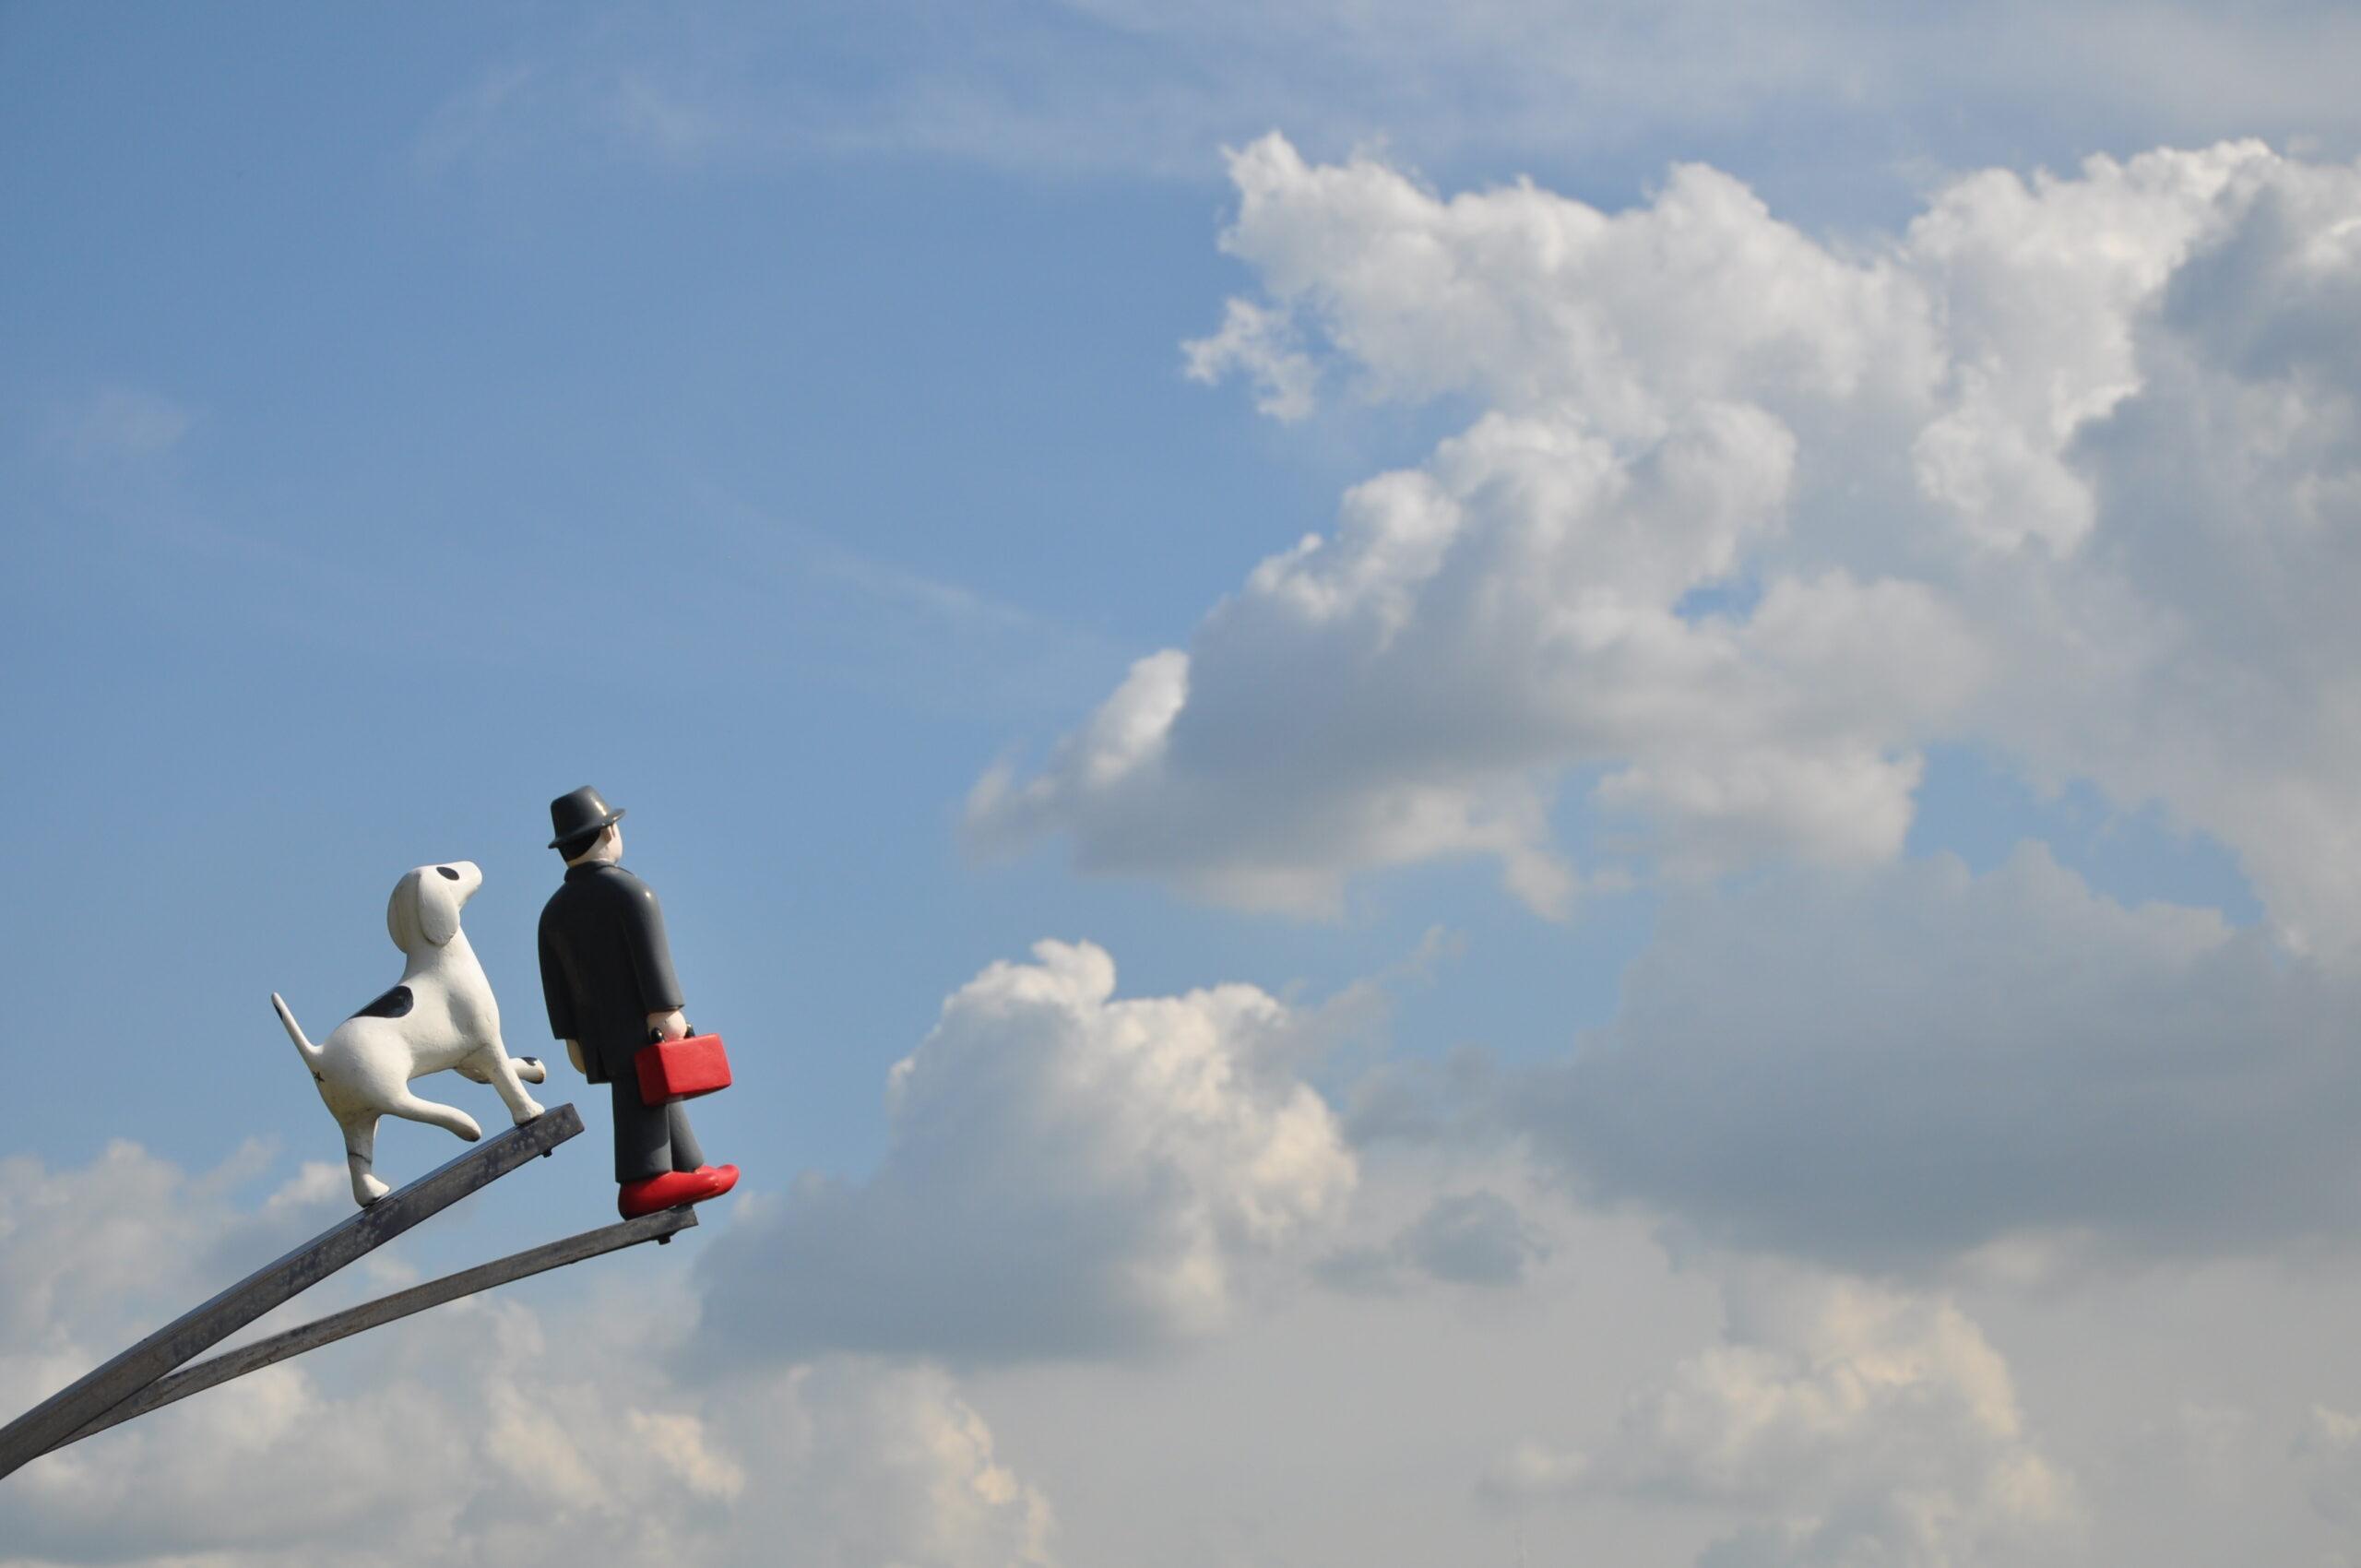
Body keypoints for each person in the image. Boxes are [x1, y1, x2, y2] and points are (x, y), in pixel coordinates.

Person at [537, 786, 738, 1218]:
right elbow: (652, 961)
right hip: (641, 1025)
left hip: (593, 1036)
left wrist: (569, 1037)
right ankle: (643, 1178)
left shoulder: (552, 912)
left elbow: (554, 984)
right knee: (641, 1092)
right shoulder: (631, 893)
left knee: (658, 1090)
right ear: (609, 832)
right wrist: (669, 1011)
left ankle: (688, 1165)